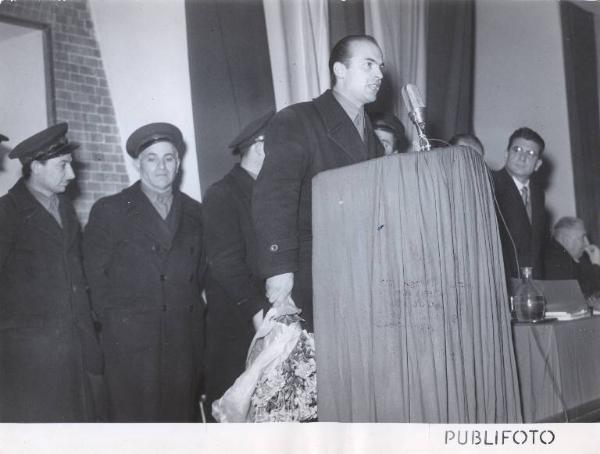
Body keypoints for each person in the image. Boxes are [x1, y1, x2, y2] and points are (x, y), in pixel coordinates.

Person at [252, 35, 385, 331]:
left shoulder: (371, 137)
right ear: (339, 70)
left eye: (381, 67)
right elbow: (275, 197)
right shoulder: (298, 119)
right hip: (308, 275)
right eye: (368, 65)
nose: (379, 75)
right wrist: (279, 269)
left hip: (358, 276)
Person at [83, 123, 205, 422]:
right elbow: (94, 280)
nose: (161, 166)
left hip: (182, 344)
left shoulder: (197, 212)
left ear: (178, 163)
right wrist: (118, 330)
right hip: (132, 348)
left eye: (168, 158)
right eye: (152, 158)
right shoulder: (111, 210)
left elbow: (201, 273)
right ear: (138, 163)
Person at [0, 123, 104, 421]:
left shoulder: (65, 209)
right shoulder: (7, 214)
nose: (71, 175)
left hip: (77, 352)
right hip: (32, 362)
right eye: (63, 166)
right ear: (36, 167)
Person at [202, 111, 274, 409]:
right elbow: (226, 264)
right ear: (260, 147)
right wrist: (259, 315)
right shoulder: (222, 194)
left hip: (267, 320)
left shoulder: (270, 191)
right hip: (239, 328)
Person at [492, 127, 547, 280]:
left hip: (532, 283)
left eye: (530, 153)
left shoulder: (538, 194)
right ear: (506, 154)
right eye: (517, 150)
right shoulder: (490, 184)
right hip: (503, 282)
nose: (522, 158)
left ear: (538, 164)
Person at [545, 217, 600, 298]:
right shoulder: (555, 259)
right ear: (566, 239)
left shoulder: (566, 256)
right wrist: (596, 265)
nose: (586, 244)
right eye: (582, 237)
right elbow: (579, 295)